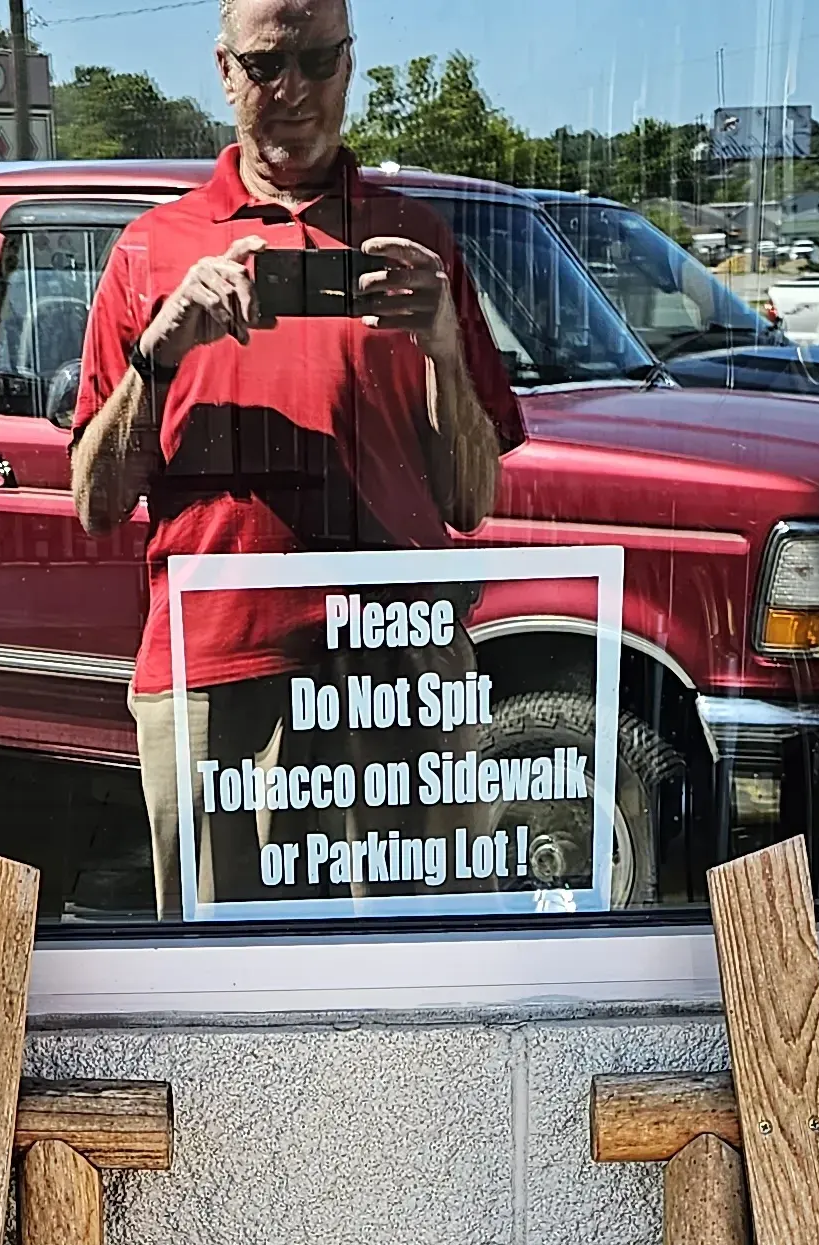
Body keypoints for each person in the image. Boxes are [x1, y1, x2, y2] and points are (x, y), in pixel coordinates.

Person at [70, 0, 525, 913]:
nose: (295, 89)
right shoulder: (152, 252)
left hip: (396, 662)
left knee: (410, 955)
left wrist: (443, 347)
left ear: (350, 64)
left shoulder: (415, 243)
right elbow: (95, 503)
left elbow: (471, 502)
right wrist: (159, 353)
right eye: (267, 65)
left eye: (319, 61)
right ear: (224, 70)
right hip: (214, 664)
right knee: (221, 970)